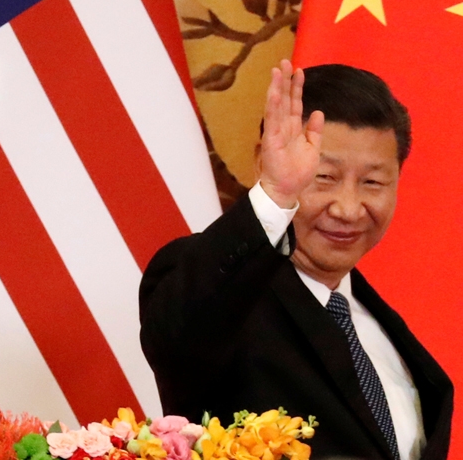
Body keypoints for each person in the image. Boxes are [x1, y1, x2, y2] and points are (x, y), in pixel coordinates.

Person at [140, 61, 453, 460]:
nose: (348, 208)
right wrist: (275, 192)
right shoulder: (223, 296)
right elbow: (177, 336)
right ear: (266, 162)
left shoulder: (378, 324)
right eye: (323, 177)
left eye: (373, 182)